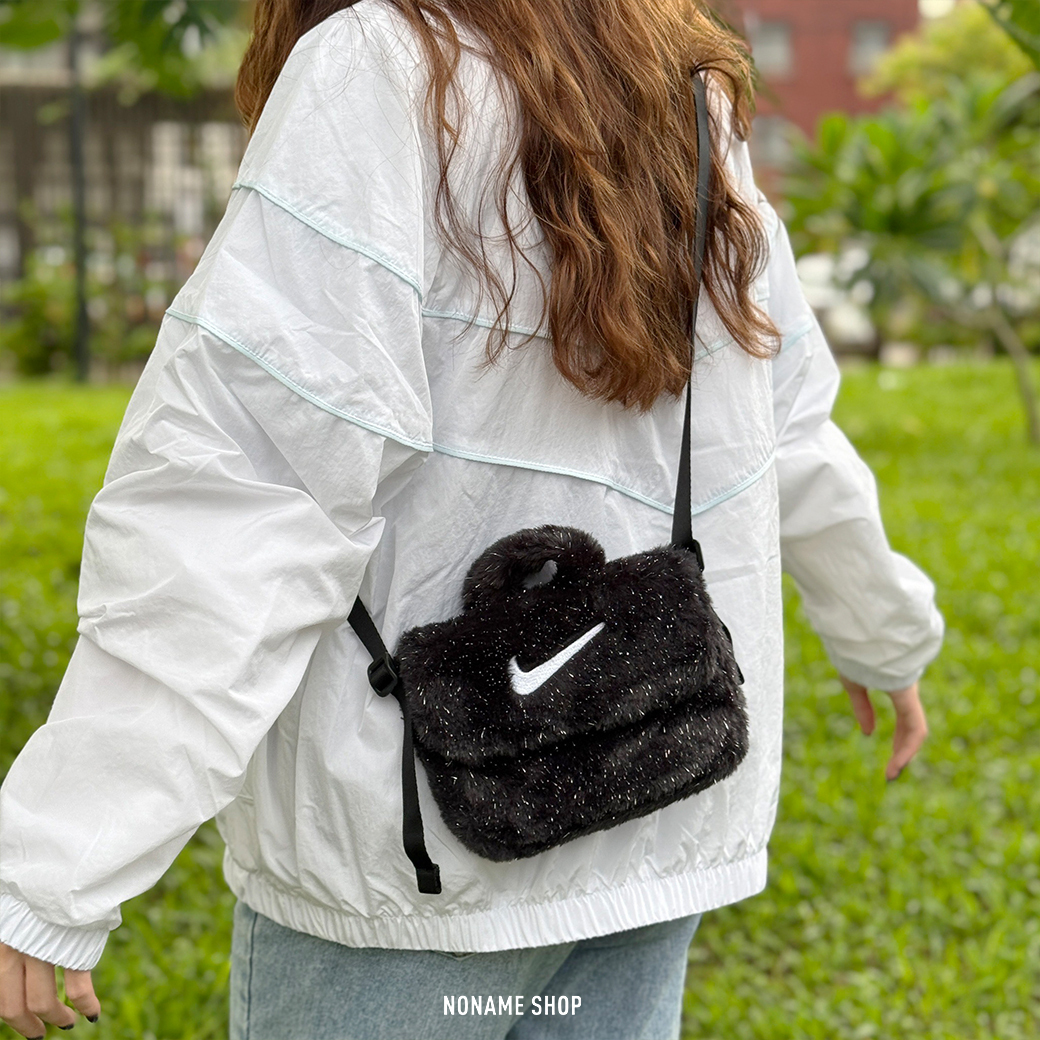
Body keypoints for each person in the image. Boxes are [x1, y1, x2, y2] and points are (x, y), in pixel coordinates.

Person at [0, 1, 942, 1038]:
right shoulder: (680, 83)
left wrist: (55, 865)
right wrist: (879, 627)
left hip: (412, 856)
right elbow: (787, 421)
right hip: (653, 792)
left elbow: (250, 488)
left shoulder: (381, 64)